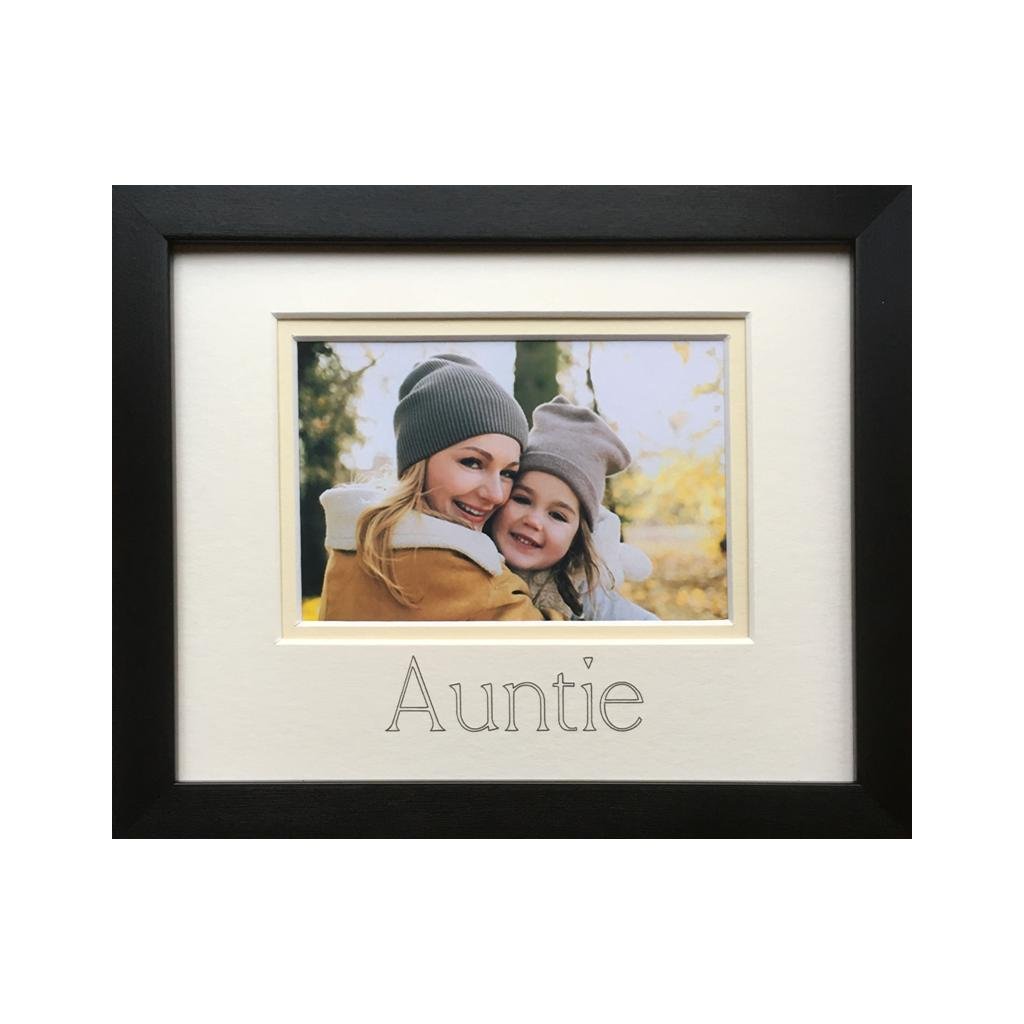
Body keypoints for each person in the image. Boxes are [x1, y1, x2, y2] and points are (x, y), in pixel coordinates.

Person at [318, 354, 548, 621]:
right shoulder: (461, 575)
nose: (496, 494)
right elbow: (555, 647)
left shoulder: (354, 547)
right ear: (419, 461)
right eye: (472, 462)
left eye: (508, 473)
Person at [489, 396, 659, 620]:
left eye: (557, 515)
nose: (533, 521)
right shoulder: (465, 564)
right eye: (522, 499)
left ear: (578, 535)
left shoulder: (587, 597)